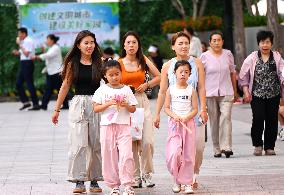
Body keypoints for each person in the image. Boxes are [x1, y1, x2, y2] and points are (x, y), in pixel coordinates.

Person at [154, 31, 208, 189]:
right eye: (180, 43)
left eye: (186, 43)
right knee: (176, 149)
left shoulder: (197, 63)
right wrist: (157, 114)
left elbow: (202, 87)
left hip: (194, 113)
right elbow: (163, 91)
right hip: (176, 116)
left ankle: (193, 175)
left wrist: (203, 109)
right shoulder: (167, 66)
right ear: (173, 47)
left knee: (197, 147)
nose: (184, 46)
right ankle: (178, 178)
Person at [51, 30, 103, 194]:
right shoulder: (72, 64)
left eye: (92, 42)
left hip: (96, 104)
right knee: (78, 143)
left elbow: (111, 82)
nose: (89, 46)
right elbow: (65, 86)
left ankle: (95, 180)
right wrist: (56, 109)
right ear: (78, 45)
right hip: (78, 104)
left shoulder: (100, 62)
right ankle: (79, 181)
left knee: (96, 143)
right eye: (86, 43)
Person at [118, 31, 160, 188]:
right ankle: (135, 176)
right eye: (128, 42)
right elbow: (110, 79)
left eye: (134, 42)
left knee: (147, 141)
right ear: (124, 45)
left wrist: (147, 84)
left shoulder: (144, 60)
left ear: (138, 45)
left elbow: (160, 76)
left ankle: (147, 174)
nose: (131, 45)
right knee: (131, 143)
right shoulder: (119, 62)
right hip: (126, 105)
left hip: (142, 102)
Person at [93, 59, 137, 195]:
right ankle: (114, 186)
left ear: (121, 73)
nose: (114, 77)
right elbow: (96, 108)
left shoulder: (127, 89)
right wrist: (108, 104)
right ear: (105, 75)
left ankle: (128, 184)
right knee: (109, 156)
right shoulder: (101, 90)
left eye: (117, 74)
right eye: (111, 75)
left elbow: (133, 109)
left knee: (126, 155)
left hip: (123, 126)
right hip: (107, 126)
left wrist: (126, 105)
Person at [239, 30, 284, 156]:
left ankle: (270, 146)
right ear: (258, 43)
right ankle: (258, 145)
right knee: (258, 118)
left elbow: (282, 71)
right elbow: (243, 76)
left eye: (268, 42)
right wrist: (246, 91)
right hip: (257, 94)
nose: (265, 45)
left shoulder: (277, 57)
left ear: (271, 43)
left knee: (272, 120)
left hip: (273, 94)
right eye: (262, 42)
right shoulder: (252, 57)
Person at [200, 31, 237, 158]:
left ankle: (226, 147)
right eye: (214, 40)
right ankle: (216, 148)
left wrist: (235, 91)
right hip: (209, 93)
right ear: (210, 42)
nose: (216, 42)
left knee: (226, 117)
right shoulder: (204, 57)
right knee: (214, 121)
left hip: (226, 92)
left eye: (219, 40)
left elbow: (233, 73)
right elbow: (201, 77)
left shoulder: (228, 54)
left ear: (222, 41)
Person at [164, 60, 198, 194]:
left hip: (188, 124)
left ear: (190, 74)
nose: (183, 74)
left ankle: (188, 182)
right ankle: (176, 180)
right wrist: (174, 116)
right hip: (174, 125)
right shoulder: (170, 89)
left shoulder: (191, 90)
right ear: (175, 73)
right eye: (180, 71)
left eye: (186, 72)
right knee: (175, 152)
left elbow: (195, 109)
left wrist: (187, 117)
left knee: (188, 154)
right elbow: (166, 108)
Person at [33, 34, 69, 110]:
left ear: (52, 40)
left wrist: (37, 57)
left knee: (59, 89)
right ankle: (44, 105)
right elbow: (47, 56)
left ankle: (64, 104)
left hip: (56, 72)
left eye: (48, 39)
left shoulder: (55, 48)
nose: (46, 41)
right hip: (52, 72)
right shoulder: (52, 48)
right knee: (50, 89)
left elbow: (48, 55)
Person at [12, 27, 40, 110]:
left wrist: (19, 44)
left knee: (29, 83)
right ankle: (26, 102)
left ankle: (35, 104)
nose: (18, 36)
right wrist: (16, 52)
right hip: (24, 63)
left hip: (27, 63)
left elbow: (27, 54)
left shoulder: (28, 41)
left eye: (19, 34)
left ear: (24, 34)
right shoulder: (25, 41)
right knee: (18, 83)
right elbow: (22, 53)